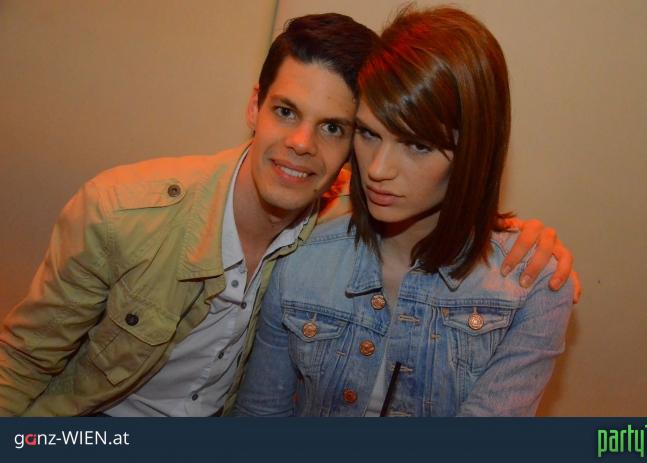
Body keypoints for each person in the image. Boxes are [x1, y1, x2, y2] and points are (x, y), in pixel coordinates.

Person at [0, 12, 575, 417]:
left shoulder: (348, 215)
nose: (301, 144)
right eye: (285, 111)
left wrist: (519, 236)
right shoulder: (121, 213)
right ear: (254, 106)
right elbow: (21, 362)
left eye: (334, 127)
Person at [233, 6, 574, 417]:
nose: (378, 169)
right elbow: (260, 415)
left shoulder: (530, 287)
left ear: (472, 150)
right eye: (368, 134)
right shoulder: (300, 262)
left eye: (418, 145)